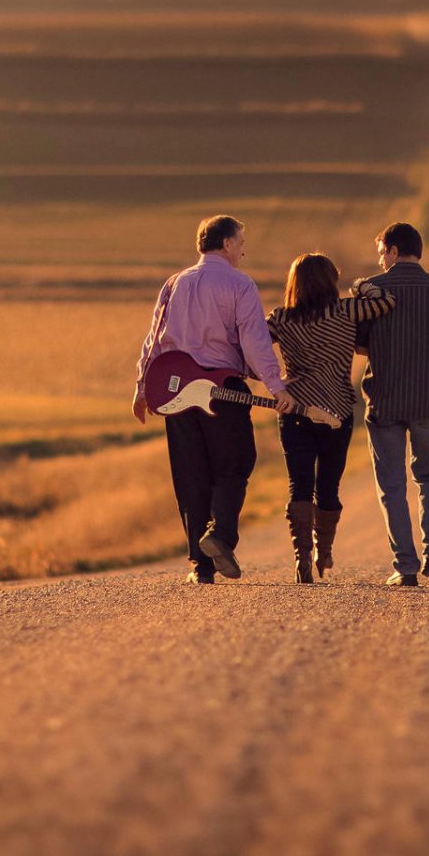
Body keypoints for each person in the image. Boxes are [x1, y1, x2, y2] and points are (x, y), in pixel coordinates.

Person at [134, 214, 298, 585]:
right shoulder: (240, 284)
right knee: (236, 462)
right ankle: (221, 534)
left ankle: (200, 566)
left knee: (191, 474)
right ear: (226, 244)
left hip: (176, 394)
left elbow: (154, 339)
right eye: (241, 242)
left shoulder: (174, 282)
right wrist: (277, 387)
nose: (244, 249)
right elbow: (254, 342)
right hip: (221, 388)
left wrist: (142, 388)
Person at [354, 221, 429, 587]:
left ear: (391, 251)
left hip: (385, 399)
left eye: (381, 253)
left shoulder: (372, 292)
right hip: (428, 399)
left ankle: (405, 565)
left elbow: (358, 345)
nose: (380, 261)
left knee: (391, 484)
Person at [266, 254, 395, 583]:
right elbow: (386, 301)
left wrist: (276, 382)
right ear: (329, 281)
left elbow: (252, 347)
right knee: (329, 486)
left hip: (295, 409)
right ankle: (324, 550)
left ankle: (301, 556)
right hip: (338, 409)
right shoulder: (347, 309)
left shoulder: (281, 318)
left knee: (299, 485)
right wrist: (360, 285)